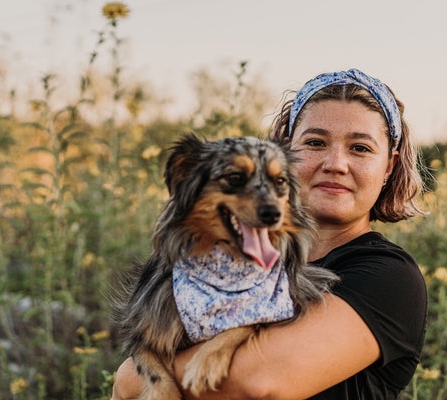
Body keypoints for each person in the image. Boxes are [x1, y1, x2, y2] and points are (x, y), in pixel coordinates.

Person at [112, 68, 428, 400]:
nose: (336, 163)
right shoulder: (213, 265)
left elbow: (256, 383)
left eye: (360, 148)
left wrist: (137, 378)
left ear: (389, 167)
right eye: (315, 142)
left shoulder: (388, 277)